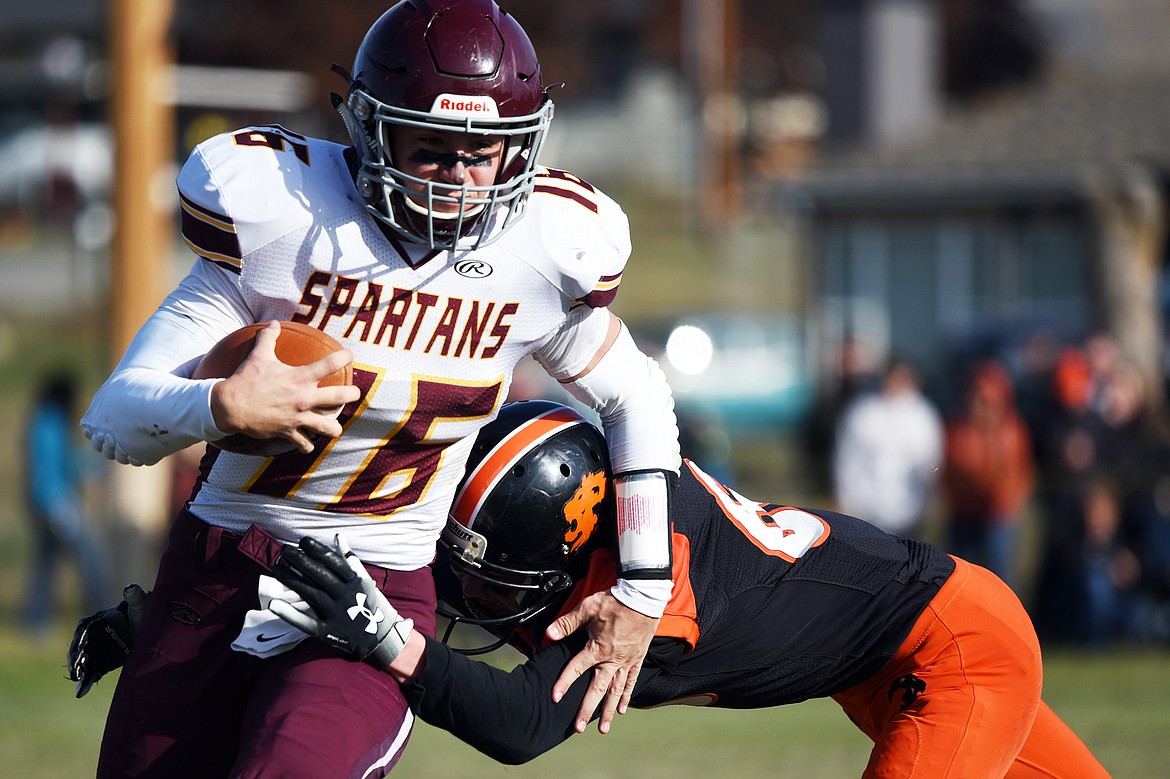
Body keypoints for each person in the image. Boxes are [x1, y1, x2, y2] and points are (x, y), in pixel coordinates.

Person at [76, 2, 679, 776]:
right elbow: (113, 418)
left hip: (374, 590)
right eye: (431, 148)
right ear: (368, 127)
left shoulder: (539, 254)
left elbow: (636, 396)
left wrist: (644, 584)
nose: (458, 179)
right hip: (216, 570)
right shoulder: (286, 220)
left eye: (483, 153)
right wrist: (218, 406)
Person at [255, 400, 1108, 776]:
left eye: (494, 577)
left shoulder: (646, 607)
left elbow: (517, 728)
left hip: (951, 652)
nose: (474, 597)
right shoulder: (624, 499)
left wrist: (391, 641)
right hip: (897, 656)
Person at [22, 371, 111, 634]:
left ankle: (35, 619)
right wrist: (94, 464)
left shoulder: (42, 418)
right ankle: (100, 614)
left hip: (45, 502)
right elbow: (55, 466)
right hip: (56, 503)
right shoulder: (51, 421)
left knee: (46, 562)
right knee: (91, 557)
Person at [941, 358, 1035, 588]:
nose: (978, 403)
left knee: (998, 579)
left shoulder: (1011, 430)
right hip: (964, 513)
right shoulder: (958, 428)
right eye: (975, 395)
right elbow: (950, 468)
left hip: (997, 516)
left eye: (985, 398)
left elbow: (1019, 474)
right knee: (957, 578)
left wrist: (1006, 504)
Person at [832, 356, 944, 537]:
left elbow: (932, 461)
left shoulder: (923, 415)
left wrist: (929, 495)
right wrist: (845, 497)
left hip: (909, 509)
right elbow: (847, 458)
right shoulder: (863, 410)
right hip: (867, 510)